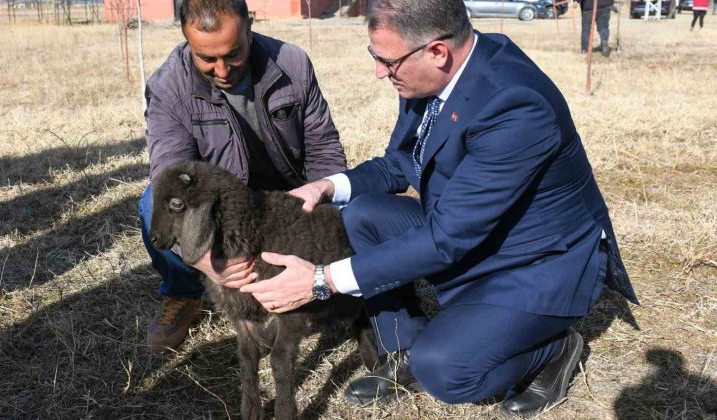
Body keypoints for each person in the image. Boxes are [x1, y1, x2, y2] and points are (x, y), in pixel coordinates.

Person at [235, 0, 639, 416]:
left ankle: (553, 348)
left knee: (446, 371)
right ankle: (402, 346)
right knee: (362, 214)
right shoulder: (429, 75)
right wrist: (326, 186)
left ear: (437, 52)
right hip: (475, 231)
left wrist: (323, 280)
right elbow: (401, 162)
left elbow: (447, 237)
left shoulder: (514, 105)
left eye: (386, 61)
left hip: (535, 261)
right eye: (376, 57)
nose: (379, 72)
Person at [138, 0, 346, 354]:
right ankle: (186, 293)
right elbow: (171, 175)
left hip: (288, 196)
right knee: (150, 205)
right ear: (187, 38)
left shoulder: (291, 64)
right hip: (223, 206)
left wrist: (316, 204)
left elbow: (324, 150)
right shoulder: (168, 86)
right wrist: (200, 256)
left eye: (233, 54)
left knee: (351, 208)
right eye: (207, 59)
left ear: (249, 28)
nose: (222, 70)